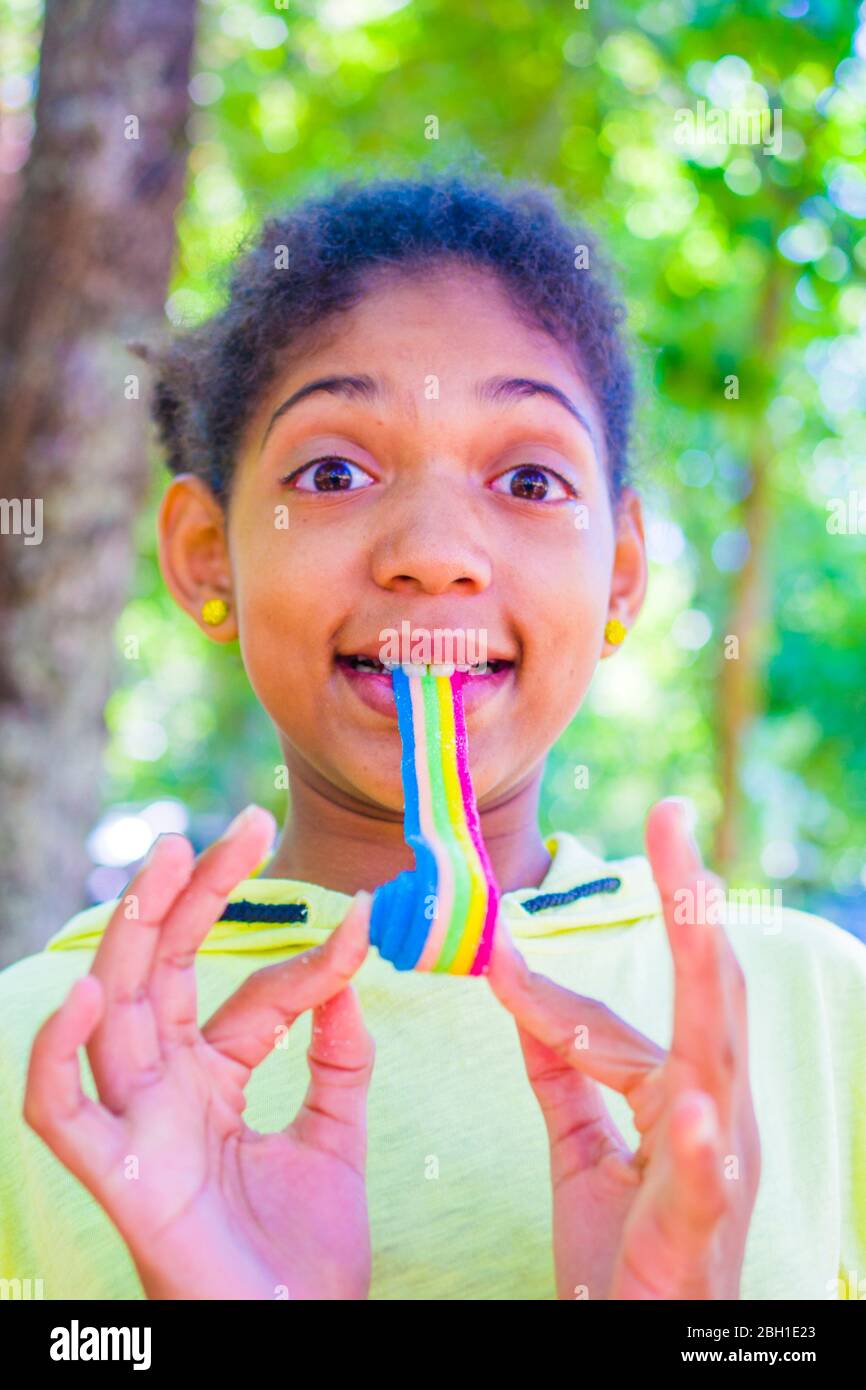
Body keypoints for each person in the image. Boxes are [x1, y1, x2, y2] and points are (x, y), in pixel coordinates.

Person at [2, 167, 864, 1301]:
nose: (433, 548)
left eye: (526, 476)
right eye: (333, 471)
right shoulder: (50, 1053)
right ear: (208, 555)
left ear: (619, 573)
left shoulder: (812, 1008)